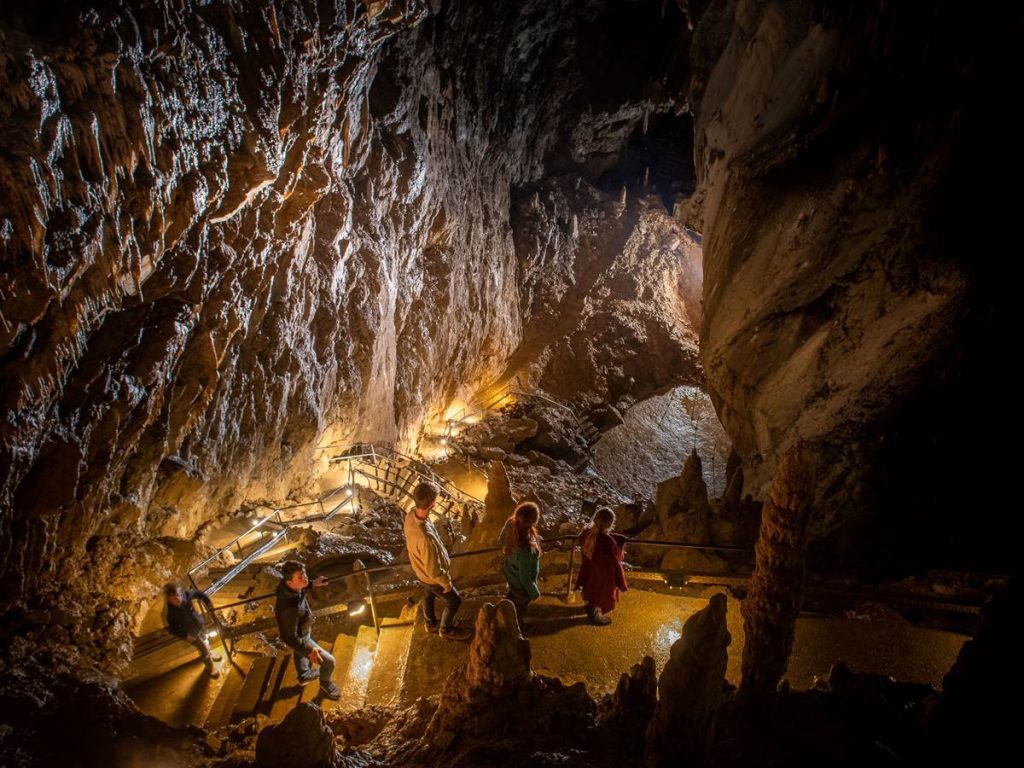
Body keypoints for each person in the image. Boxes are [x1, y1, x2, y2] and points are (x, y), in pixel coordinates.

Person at [403, 481, 471, 640]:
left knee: (428, 595)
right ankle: (446, 630)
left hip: (420, 572)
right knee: (454, 601)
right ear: (433, 504)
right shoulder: (425, 538)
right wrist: (445, 582)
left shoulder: (410, 516)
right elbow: (434, 569)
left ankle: (430, 623)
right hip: (431, 576)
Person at [275, 560, 341, 700]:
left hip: (303, 629)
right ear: (289, 582)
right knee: (330, 662)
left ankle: (304, 675)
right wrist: (309, 651)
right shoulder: (288, 608)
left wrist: (312, 584)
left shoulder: (291, 589)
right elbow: (288, 637)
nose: (305, 578)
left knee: (299, 652)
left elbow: (301, 588)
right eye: (301, 577)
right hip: (301, 637)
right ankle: (325, 683)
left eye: (304, 574)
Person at [575, 507, 628, 625]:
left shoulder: (586, 534)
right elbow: (614, 560)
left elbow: (600, 536)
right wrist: (620, 580)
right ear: (610, 524)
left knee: (590, 590)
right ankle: (594, 615)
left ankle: (588, 606)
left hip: (589, 570)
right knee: (600, 595)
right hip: (602, 575)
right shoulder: (607, 541)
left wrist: (615, 538)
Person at [164, 583, 222, 678]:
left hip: (199, 625)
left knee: (206, 640)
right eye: (173, 598)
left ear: (180, 592)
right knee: (204, 650)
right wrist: (185, 636)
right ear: (169, 599)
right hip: (191, 634)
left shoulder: (186, 595)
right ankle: (210, 667)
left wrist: (209, 606)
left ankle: (210, 653)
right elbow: (173, 629)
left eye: (178, 595)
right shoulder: (171, 613)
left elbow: (200, 594)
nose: (178, 599)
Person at [498, 501, 542, 625]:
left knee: (513, 593)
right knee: (521, 604)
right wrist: (535, 594)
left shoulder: (510, 522)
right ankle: (518, 625)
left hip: (510, 572)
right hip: (520, 583)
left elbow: (501, 540)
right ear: (533, 523)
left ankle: (502, 611)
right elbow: (525, 579)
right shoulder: (527, 550)